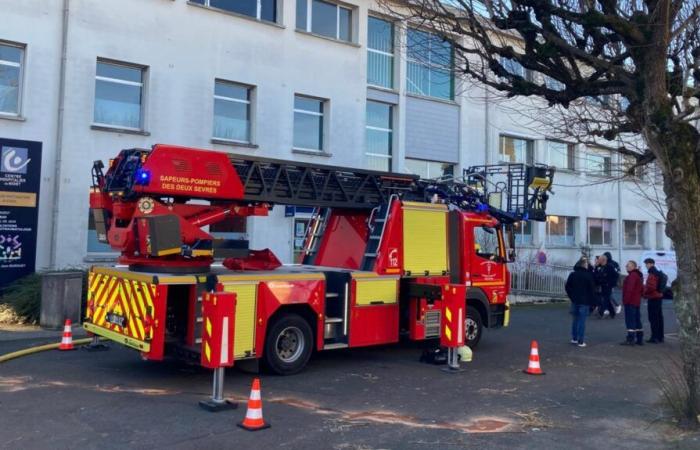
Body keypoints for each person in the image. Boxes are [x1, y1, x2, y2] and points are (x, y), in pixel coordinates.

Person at [566, 257, 597, 347]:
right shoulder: (588, 276)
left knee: (575, 320)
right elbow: (592, 290)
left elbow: (568, 287)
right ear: (584, 265)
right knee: (582, 321)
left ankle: (574, 338)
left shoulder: (572, 274)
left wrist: (571, 296)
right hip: (585, 301)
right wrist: (593, 302)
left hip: (575, 300)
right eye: (587, 264)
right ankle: (581, 340)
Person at [620, 261, 644, 345]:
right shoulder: (638, 276)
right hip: (636, 301)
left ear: (633, 267)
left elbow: (629, 290)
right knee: (637, 320)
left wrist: (625, 301)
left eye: (628, 265)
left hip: (630, 302)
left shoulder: (632, 276)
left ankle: (630, 339)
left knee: (630, 320)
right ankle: (639, 339)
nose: (626, 266)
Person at [643, 258, 665, 343]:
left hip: (653, 297)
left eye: (647, 264)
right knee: (659, 317)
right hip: (659, 296)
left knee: (653, 318)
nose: (646, 265)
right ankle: (660, 336)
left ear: (651, 264)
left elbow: (651, 287)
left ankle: (654, 337)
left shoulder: (652, 273)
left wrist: (645, 293)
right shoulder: (658, 272)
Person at [594, 254, 619, 318]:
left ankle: (601, 313)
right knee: (607, 300)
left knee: (605, 299)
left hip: (608, 286)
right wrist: (596, 267)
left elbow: (616, 275)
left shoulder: (609, 267)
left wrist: (611, 284)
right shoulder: (600, 267)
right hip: (602, 285)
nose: (597, 261)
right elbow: (596, 275)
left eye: (599, 259)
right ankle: (612, 313)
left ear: (603, 260)